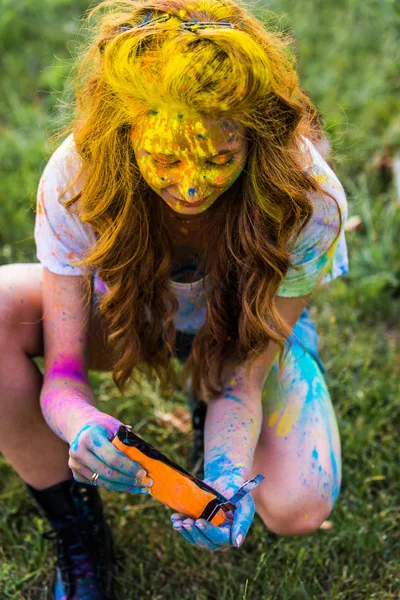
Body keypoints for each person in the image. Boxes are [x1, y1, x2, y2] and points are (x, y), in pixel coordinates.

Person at [0, 0, 349, 598]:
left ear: (257, 136)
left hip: (243, 330)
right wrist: (81, 426)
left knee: (299, 504)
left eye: (219, 159)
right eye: (164, 159)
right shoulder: (78, 176)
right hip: (127, 319)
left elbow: (244, 373)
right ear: (124, 130)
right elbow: (62, 374)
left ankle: (205, 410)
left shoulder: (307, 197)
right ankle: (75, 525)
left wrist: (225, 476)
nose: (190, 186)